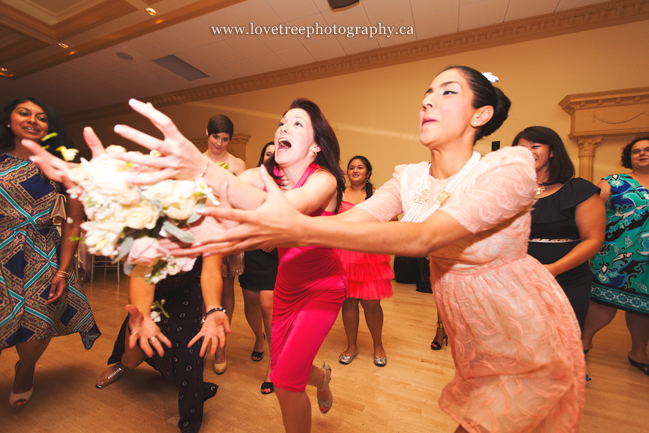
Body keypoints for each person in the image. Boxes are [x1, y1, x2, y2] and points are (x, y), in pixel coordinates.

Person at [138, 66, 586, 432]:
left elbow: (424, 237)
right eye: (426, 92)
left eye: (447, 92)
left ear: (481, 115)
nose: (427, 100)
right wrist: (201, 169)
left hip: (520, 321)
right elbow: (351, 220)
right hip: (469, 328)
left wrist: (296, 229)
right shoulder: (409, 178)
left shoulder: (509, 165)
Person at [25, 98, 348, 433]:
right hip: (286, 287)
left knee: (284, 381)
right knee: (285, 366)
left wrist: (206, 171)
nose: (283, 126)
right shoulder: (261, 176)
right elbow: (203, 193)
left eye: (296, 124)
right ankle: (322, 377)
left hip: (321, 289)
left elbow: (287, 209)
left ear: (315, 145)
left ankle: (312, 383)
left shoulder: (323, 180)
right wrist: (120, 183)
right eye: (282, 121)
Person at [0, 97, 100, 407]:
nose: (33, 120)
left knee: (38, 324)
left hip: (41, 254)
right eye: (24, 113)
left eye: (41, 117)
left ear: (48, 128)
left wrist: (63, 269)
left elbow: (74, 221)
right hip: (2, 249)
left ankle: (25, 370)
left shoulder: (61, 169)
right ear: (9, 121)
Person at [95, 254, 228, 433]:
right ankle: (123, 364)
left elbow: (211, 271)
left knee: (189, 352)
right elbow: (141, 272)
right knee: (133, 357)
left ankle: (190, 422)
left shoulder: (209, 226)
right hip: (153, 286)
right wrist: (142, 314)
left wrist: (213, 309)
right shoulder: (146, 227)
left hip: (188, 287)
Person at [512, 126, 605, 330]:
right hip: (515, 280)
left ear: (553, 151)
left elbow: (593, 240)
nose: (527, 152)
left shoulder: (579, 190)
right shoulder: (510, 192)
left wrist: (554, 269)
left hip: (565, 279)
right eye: (521, 148)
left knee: (558, 341)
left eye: (535, 146)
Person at [582, 137, 649, 375]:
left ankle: (638, 353)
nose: (641, 154)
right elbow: (589, 208)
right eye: (636, 151)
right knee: (603, 302)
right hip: (614, 255)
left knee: (643, 308)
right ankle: (583, 344)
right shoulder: (615, 181)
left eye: (647, 150)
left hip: (647, 264)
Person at [336, 156, 393, 367]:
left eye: (360, 167)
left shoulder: (377, 195)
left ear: (368, 173)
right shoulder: (339, 195)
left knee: (372, 304)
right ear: (347, 173)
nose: (355, 170)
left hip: (369, 256)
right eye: (351, 168)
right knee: (349, 301)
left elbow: (392, 219)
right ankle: (352, 346)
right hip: (344, 255)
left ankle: (378, 345)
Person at [204, 114, 245, 375]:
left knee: (227, 286)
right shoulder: (198, 163)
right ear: (206, 132)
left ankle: (221, 344)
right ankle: (205, 335)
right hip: (203, 232)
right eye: (215, 137)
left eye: (225, 139)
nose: (219, 143)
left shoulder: (238, 164)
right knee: (203, 286)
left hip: (229, 232)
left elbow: (244, 199)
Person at [238, 141, 279, 394]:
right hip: (251, 251)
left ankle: (273, 366)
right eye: (268, 153)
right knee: (251, 302)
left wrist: (276, 240)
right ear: (261, 157)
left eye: (276, 154)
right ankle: (258, 338)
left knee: (267, 305)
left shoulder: (287, 185)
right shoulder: (249, 182)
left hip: (275, 252)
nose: (272, 157)